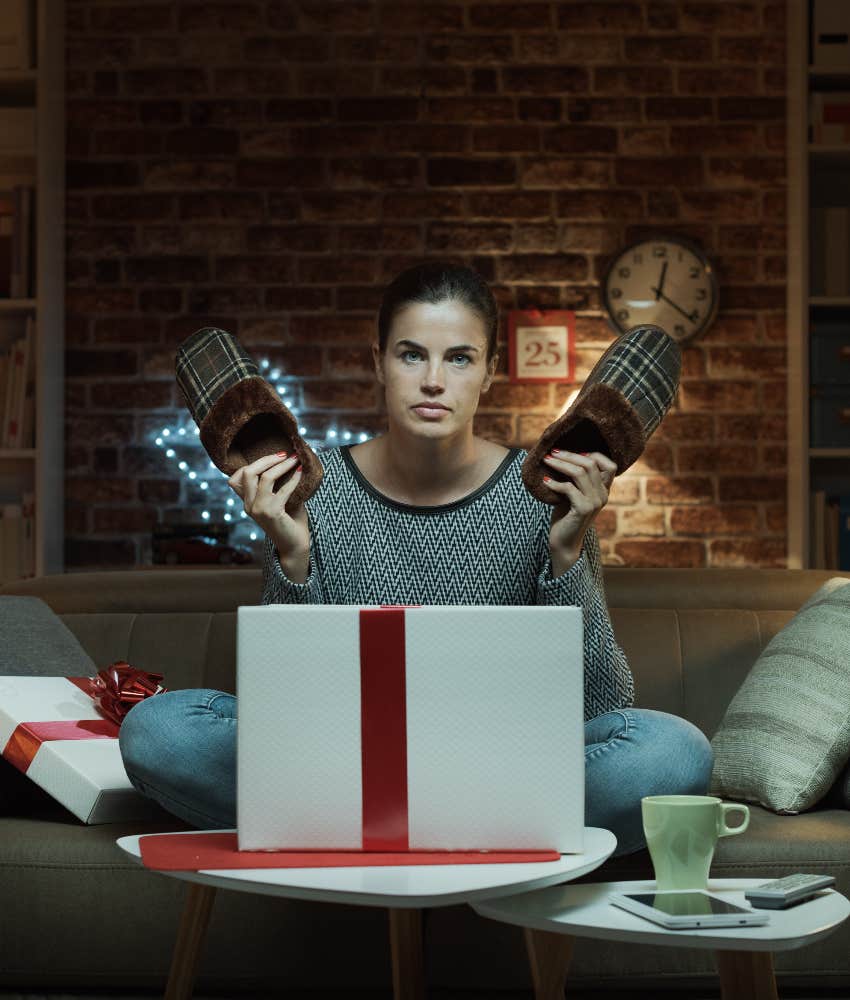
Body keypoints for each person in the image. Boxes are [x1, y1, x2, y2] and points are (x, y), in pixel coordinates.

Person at [119, 261, 713, 854]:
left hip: (499, 769)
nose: (434, 380)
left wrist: (567, 553)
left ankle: (387, 833)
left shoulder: (547, 497)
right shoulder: (312, 491)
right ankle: (463, 839)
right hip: (351, 767)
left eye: (459, 358)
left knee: (674, 752)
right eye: (411, 355)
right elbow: (291, 711)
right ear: (378, 361)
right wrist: (292, 555)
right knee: (159, 732)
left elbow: (600, 708)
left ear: (487, 373)